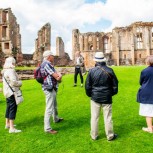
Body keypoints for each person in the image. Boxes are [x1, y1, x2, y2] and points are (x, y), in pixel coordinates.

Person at [85, 52, 118, 141]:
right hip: (106, 97)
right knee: (108, 117)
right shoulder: (110, 70)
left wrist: (91, 95)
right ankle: (110, 136)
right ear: (104, 60)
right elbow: (115, 85)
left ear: (96, 61)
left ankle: (94, 135)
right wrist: (110, 94)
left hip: (95, 97)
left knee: (94, 117)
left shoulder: (92, 71)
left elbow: (87, 86)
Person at [41, 50, 63, 134]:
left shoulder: (47, 64)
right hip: (49, 88)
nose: (53, 57)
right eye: (52, 55)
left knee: (54, 104)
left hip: (51, 87)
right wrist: (60, 75)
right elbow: (57, 77)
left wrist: (58, 76)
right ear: (49, 56)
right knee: (49, 108)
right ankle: (47, 128)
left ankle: (56, 118)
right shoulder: (46, 64)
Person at [1, 56, 22, 133]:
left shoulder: (5, 70)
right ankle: (12, 128)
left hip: (7, 92)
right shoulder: (11, 71)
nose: (14, 64)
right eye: (14, 62)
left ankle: (7, 124)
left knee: (9, 107)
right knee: (13, 108)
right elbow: (14, 82)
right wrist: (20, 83)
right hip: (11, 92)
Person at [137, 55, 153, 133]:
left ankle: (150, 128)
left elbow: (141, 82)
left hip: (147, 93)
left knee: (148, 112)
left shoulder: (145, 71)